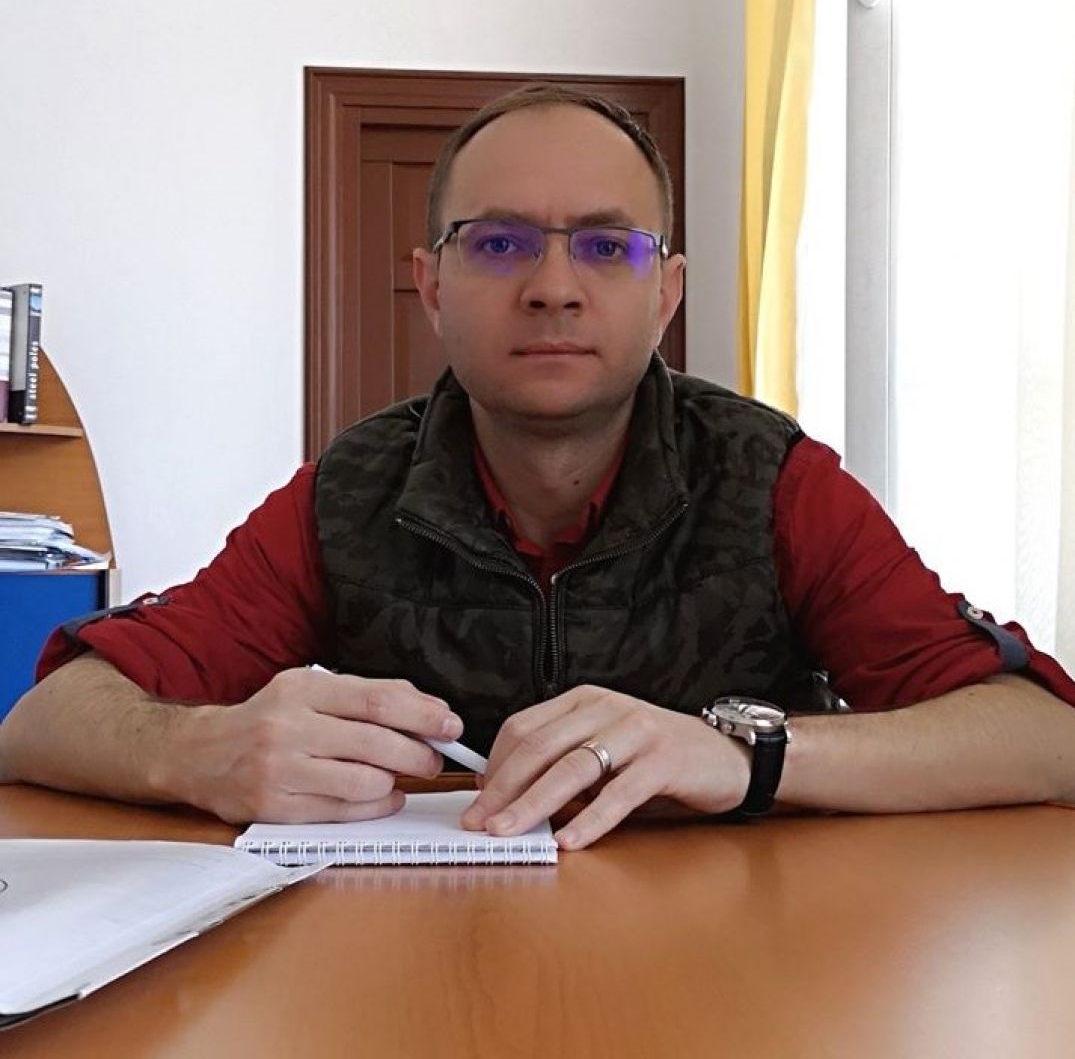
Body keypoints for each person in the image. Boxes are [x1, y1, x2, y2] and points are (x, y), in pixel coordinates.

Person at [2, 84, 1074, 852]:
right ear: (431, 287)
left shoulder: (773, 481)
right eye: (500, 243)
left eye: (607, 247)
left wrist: (744, 757)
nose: (554, 287)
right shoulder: (345, 495)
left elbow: (1042, 737)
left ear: (666, 293)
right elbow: (40, 723)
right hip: (417, 966)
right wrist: (201, 752)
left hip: (741, 965)